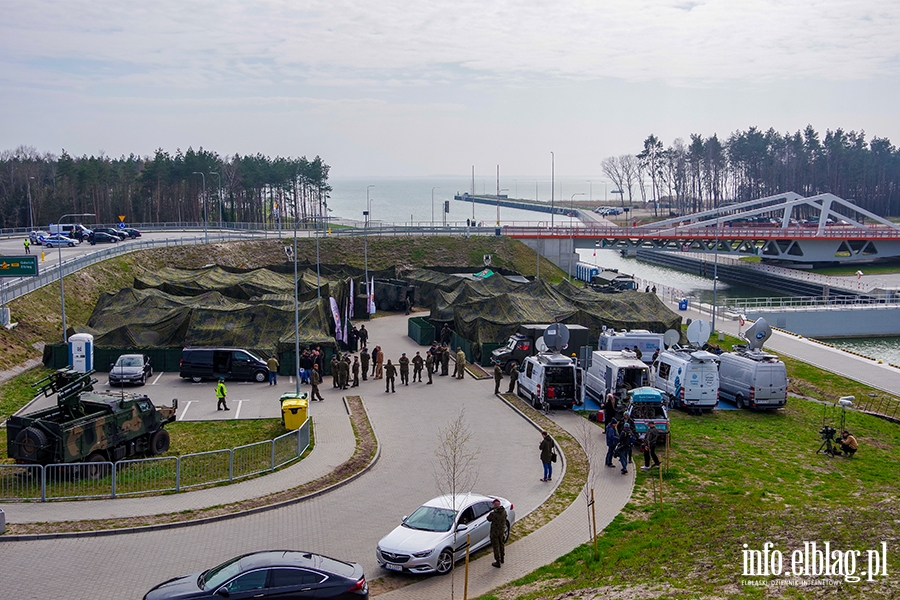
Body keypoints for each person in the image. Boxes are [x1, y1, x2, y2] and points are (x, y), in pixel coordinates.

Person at [486, 498, 507, 568]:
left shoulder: (494, 514)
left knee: (496, 547)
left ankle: (497, 561)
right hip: (501, 531)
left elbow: (488, 518)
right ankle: (502, 558)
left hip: (495, 533)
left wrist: (492, 511)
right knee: (501, 544)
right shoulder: (504, 511)